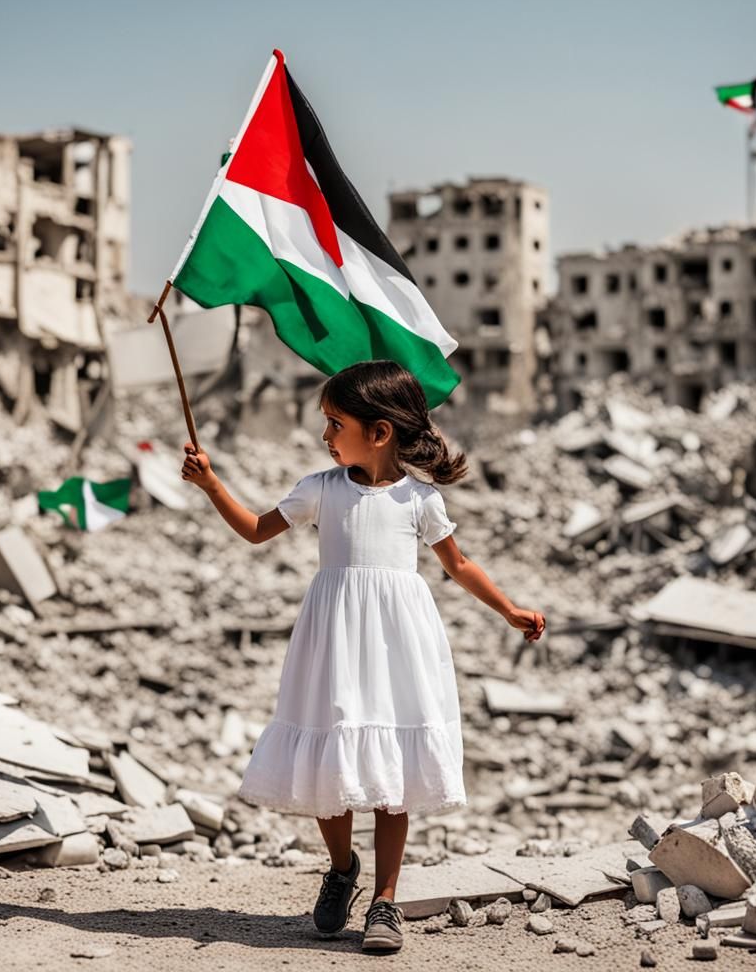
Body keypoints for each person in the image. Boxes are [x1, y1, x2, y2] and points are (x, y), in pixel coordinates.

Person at [181, 359, 546, 954]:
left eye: (335, 423)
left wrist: (509, 610)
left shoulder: (419, 499)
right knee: (333, 756)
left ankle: (385, 900)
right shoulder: (320, 489)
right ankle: (342, 867)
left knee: (390, 770)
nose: (324, 435)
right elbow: (254, 529)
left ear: (378, 432)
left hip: (396, 642)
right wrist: (211, 484)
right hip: (333, 640)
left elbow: (458, 565)